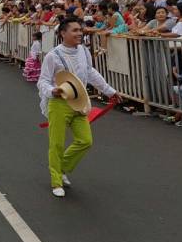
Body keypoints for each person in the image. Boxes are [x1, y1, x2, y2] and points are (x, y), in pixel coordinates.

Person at [37, 16, 121, 198]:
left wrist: (109, 91)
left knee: (85, 141)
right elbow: (42, 80)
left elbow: (90, 72)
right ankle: (56, 181)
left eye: (80, 30)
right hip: (59, 104)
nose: (79, 34)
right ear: (62, 33)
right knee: (56, 144)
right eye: (75, 30)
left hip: (80, 103)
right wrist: (53, 90)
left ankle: (62, 168)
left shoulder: (83, 50)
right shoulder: (53, 55)